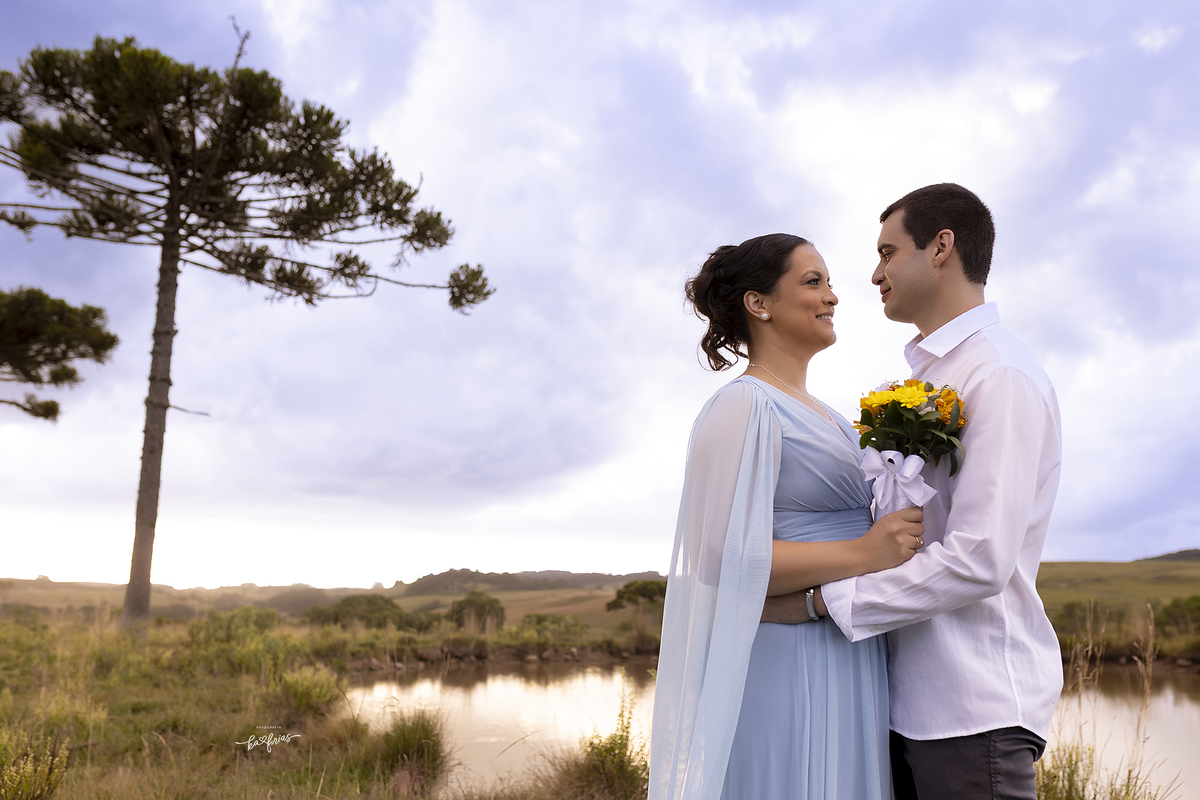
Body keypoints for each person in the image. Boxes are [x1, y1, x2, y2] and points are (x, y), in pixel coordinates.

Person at [766, 184, 1064, 800]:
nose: (874, 274)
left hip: (971, 708)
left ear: (941, 248)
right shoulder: (925, 379)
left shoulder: (998, 374)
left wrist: (824, 604)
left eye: (887, 251)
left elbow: (980, 558)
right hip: (901, 705)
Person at [648, 233, 926, 800]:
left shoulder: (829, 415)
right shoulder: (745, 404)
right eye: (813, 281)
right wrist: (865, 553)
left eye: (828, 282)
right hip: (790, 655)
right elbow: (719, 556)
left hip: (849, 646)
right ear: (760, 303)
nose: (833, 296)